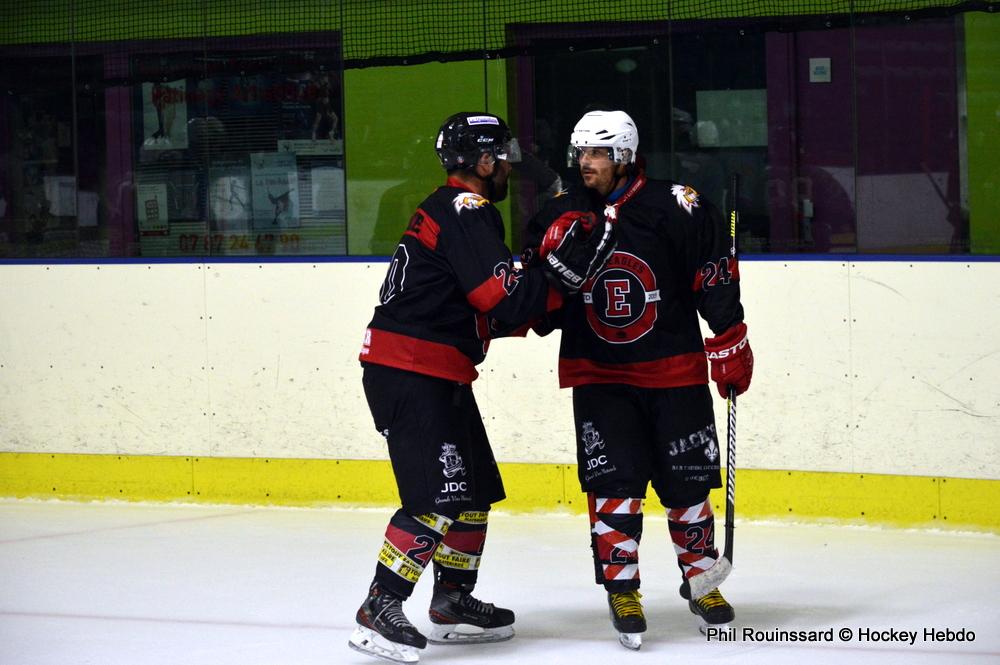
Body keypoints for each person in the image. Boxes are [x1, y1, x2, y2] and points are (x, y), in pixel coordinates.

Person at [349, 111, 615, 664]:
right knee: (437, 498)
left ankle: (451, 602)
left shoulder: (454, 212)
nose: (510, 174)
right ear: (486, 162)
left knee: (472, 493)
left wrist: (544, 290)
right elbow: (507, 300)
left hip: (434, 369)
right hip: (412, 370)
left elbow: (491, 308)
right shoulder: (467, 211)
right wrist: (558, 275)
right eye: (506, 163)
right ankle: (381, 604)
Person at [522, 110, 754, 650]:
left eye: (598, 154)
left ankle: (701, 580)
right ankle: (622, 588)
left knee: (688, 484)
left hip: (673, 370)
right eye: (580, 152)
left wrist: (730, 341)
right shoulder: (563, 212)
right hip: (599, 375)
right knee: (612, 486)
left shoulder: (677, 205)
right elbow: (536, 300)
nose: (586, 163)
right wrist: (547, 270)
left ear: (624, 156)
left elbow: (713, 274)